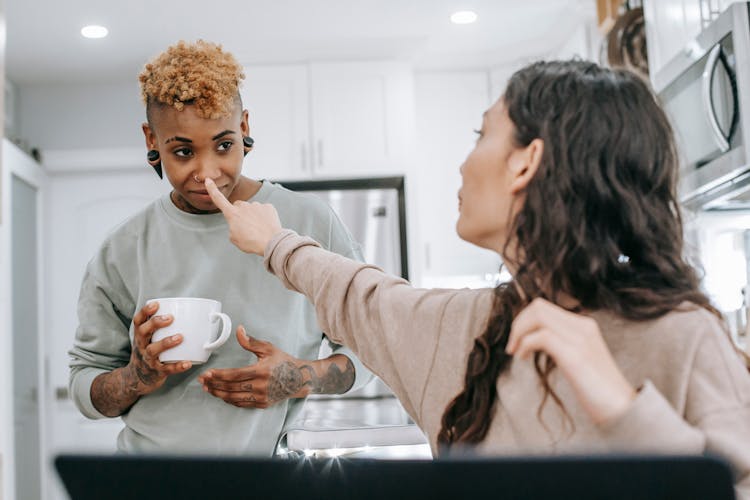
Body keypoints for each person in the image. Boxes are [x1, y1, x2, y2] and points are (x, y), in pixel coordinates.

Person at [201, 59, 750, 497]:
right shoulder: (463, 326)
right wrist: (274, 243)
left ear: (525, 162)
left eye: (480, 133)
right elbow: (361, 295)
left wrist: (622, 407)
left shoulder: (682, 337)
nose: (463, 164)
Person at [68, 40, 371, 455]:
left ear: (244, 127)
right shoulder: (122, 249)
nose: (207, 173)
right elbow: (85, 384)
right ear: (150, 139)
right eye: (183, 152)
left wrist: (300, 377)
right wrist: (137, 375)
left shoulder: (309, 222)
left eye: (224, 145)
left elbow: (373, 350)